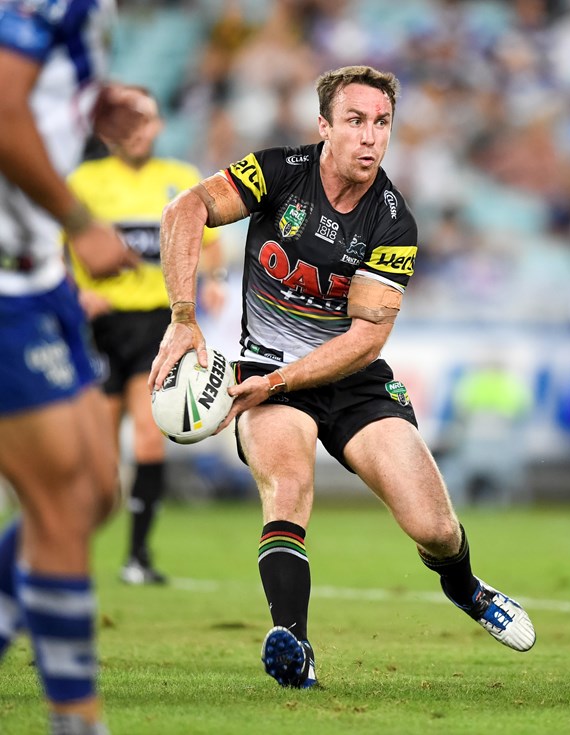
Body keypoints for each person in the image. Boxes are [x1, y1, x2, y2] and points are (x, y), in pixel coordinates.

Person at [148, 65, 536, 689]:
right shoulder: (277, 172)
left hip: (351, 378)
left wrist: (280, 382)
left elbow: (365, 339)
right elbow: (185, 208)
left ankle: (465, 587)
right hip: (265, 369)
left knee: (436, 529)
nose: (370, 136)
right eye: (355, 121)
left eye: (382, 123)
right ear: (324, 126)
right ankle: (294, 647)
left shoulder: (393, 221)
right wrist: (183, 317)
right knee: (288, 487)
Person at [0, 2, 144, 734]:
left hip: (37, 273)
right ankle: (78, 722)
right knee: (58, 502)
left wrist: (83, 103)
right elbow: (2, 111)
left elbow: (27, 88)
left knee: (92, 491)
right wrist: (81, 221)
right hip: (7, 274)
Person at [68, 86, 228, 585]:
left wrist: (215, 280)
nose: (139, 130)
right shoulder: (83, 182)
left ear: (159, 126)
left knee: (149, 436)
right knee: (99, 457)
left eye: (148, 119)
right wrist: (77, 291)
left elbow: (211, 244)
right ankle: (67, 551)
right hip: (100, 326)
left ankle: (137, 556)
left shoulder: (180, 178)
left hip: (158, 324)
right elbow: (53, 249)